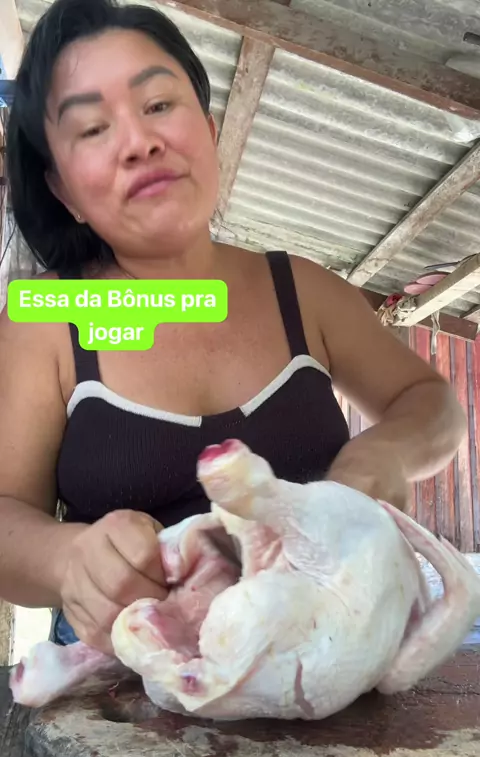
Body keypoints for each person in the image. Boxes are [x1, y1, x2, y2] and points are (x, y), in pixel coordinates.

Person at [0, 0, 467, 657]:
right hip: (133, 693)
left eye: (158, 104)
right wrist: (65, 557)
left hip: (330, 665)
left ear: (209, 129)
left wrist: (387, 451)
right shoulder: (45, 320)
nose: (139, 142)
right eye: (93, 128)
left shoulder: (301, 290)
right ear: (63, 190)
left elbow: (432, 404)